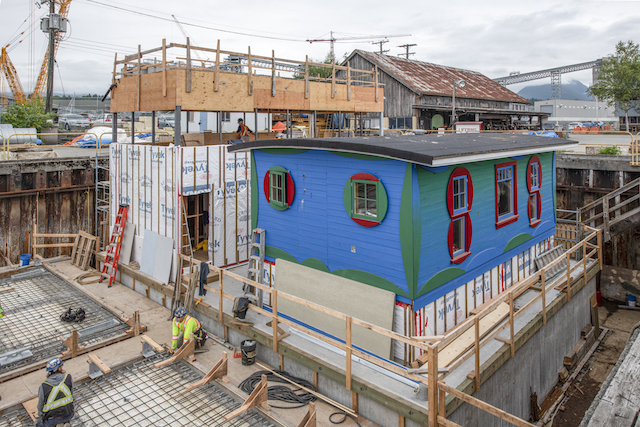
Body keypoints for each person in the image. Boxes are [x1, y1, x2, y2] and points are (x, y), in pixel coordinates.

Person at [36, 357, 74, 427]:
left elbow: (40, 406)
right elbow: (71, 396)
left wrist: (40, 416)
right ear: (59, 369)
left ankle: (57, 424)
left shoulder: (43, 386)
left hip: (53, 419)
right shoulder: (68, 378)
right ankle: (65, 422)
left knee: (38, 423)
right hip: (69, 414)